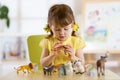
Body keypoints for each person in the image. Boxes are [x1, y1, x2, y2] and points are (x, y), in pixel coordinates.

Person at [39, 4, 86, 71]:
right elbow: (43, 64)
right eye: (57, 29)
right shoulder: (47, 41)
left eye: (66, 29)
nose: (62, 33)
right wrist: (52, 55)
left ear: (72, 25)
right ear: (50, 27)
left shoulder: (77, 41)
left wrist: (73, 56)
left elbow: (82, 64)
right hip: (53, 76)